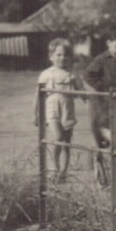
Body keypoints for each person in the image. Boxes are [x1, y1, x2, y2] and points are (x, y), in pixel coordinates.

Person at [37, 37, 78, 179]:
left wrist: (87, 98)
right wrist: (35, 114)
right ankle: (55, 167)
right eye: (59, 55)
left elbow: (82, 92)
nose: (62, 58)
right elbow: (38, 96)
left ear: (70, 57)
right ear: (51, 57)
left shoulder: (72, 76)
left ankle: (63, 173)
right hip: (52, 110)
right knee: (58, 137)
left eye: (66, 55)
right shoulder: (46, 74)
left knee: (66, 143)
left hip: (67, 111)